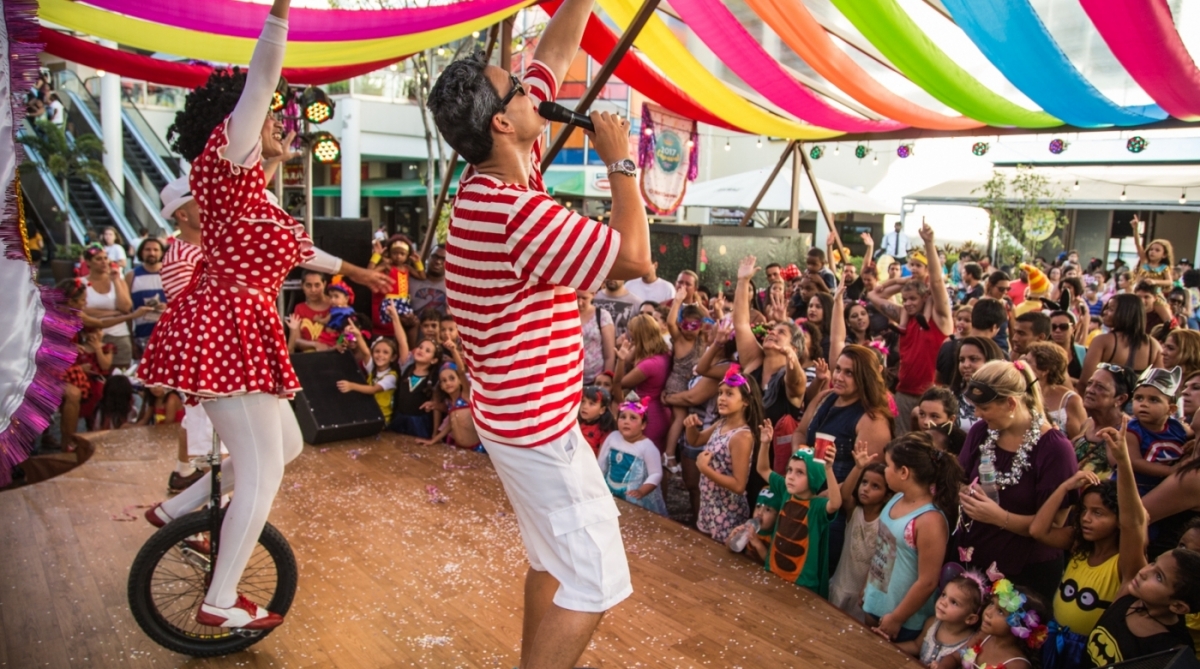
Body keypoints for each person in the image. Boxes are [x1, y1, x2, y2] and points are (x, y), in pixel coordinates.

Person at [137, 0, 390, 629]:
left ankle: (179, 512)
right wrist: (279, 11)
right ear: (236, 121)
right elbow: (262, 76)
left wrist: (357, 273)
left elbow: (300, 249)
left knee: (290, 444)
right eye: (272, 115)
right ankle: (220, 599)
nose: (280, 120)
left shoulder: (250, 192)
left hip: (240, 323)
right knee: (263, 470)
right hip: (228, 323)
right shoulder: (228, 157)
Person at [429, 0, 649, 659]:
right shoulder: (515, 213)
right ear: (503, 122)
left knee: (552, 561)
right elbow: (636, 260)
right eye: (519, 90)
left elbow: (551, 55)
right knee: (595, 580)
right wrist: (621, 163)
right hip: (536, 430)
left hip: (517, 419)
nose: (535, 89)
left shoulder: (497, 179)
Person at [956, 360, 1078, 601]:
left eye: (984, 407)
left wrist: (999, 517)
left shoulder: (1055, 450)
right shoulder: (981, 431)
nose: (977, 414)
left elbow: (1055, 523)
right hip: (973, 558)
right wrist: (965, 493)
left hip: (1024, 573)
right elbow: (959, 478)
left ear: (1011, 403)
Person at [1031, 429, 1145, 669]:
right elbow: (1039, 531)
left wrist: (1123, 461)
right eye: (1084, 510)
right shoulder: (1079, 547)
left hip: (1088, 652)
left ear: (1118, 520)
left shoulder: (1125, 563)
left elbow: (1134, 522)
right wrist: (1065, 487)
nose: (1086, 518)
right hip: (1057, 640)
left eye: (1098, 513)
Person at [1085, 479, 1200, 665]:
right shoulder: (1130, 596)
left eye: (1159, 577)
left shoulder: (1169, 652)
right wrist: (1124, 463)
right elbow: (1130, 524)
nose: (1145, 571)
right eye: (1153, 563)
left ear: (1178, 607)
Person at [864, 432, 963, 642]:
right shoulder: (897, 498)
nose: (884, 470)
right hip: (875, 602)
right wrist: (868, 587)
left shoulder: (930, 521)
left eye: (888, 465)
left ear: (904, 472)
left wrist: (897, 618)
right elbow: (883, 549)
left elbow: (928, 581)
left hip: (902, 620)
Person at [868, 222, 953, 436]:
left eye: (913, 299)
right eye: (904, 299)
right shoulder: (903, 315)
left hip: (933, 398)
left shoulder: (940, 318)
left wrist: (929, 243)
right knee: (901, 444)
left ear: (925, 297)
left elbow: (936, 282)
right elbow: (874, 295)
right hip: (904, 394)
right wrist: (906, 281)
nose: (907, 303)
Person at [752, 436, 841, 596]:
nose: (791, 476)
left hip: (802, 583)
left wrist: (828, 469)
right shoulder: (786, 491)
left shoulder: (818, 506)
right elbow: (763, 469)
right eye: (789, 470)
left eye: (800, 472)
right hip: (773, 572)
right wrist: (765, 443)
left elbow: (835, 504)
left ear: (813, 477)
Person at [687, 365, 762, 543]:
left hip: (727, 511)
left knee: (720, 555)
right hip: (710, 504)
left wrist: (705, 469)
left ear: (745, 401)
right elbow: (696, 440)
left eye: (729, 394)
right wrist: (690, 427)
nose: (721, 398)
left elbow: (739, 485)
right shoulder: (721, 424)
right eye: (720, 393)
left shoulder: (742, 437)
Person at [827, 442, 892, 622]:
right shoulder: (855, 512)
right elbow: (844, 495)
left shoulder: (885, 523)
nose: (866, 488)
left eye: (875, 486)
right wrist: (858, 468)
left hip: (862, 594)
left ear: (887, 496)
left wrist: (867, 587)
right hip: (840, 586)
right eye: (864, 482)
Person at [895, 573, 984, 668]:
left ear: (970, 618)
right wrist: (891, 646)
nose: (943, 602)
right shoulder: (932, 623)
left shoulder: (970, 643)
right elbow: (917, 646)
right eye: (944, 595)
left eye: (954, 602)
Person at [598, 397, 667, 516]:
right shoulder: (613, 437)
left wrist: (641, 491)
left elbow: (656, 473)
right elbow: (601, 462)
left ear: (643, 425)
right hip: (608, 488)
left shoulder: (647, 447)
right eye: (623, 417)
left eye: (633, 418)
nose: (626, 421)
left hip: (632, 494)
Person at [1123, 366, 1186, 497]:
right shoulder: (1131, 430)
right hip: (1134, 489)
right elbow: (1134, 462)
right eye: (1139, 398)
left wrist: (1192, 445)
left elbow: (1193, 435)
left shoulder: (1177, 428)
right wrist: (1170, 470)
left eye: (1153, 400)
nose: (1143, 404)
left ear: (1171, 409)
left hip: (1166, 489)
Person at [1078, 294, 1162, 393]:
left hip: (1102, 400)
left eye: (1111, 309)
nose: (1104, 312)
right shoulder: (1154, 346)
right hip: (1136, 401)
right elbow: (1158, 385)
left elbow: (1085, 382)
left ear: (1125, 313)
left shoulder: (1102, 341)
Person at [614, 314, 672, 451]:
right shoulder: (664, 353)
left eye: (633, 336)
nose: (629, 337)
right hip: (661, 412)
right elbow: (630, 358)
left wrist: (620, 360)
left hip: (649, 417)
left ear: (639, 337)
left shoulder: (649, 364)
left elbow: (619, 383)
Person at [958, 581, 1049, 669]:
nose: (988, 612)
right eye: (992, 603)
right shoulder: (983, 636)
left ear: (1018, 625)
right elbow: (955, 657)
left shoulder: (1017, 665)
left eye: (1000, 612)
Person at [663, 300, 705, 473]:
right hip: (677, 383)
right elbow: (670, 323)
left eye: (694, 325)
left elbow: (715, 323)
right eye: (685, 325)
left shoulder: (702, 340)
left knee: (683, 420)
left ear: (701, 326)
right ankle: (669, 454)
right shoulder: (679, 339)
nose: (689, 329)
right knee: (680, 418)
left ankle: (676, 453)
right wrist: (678, 300)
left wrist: (707, 308)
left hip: (692, 385)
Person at [1073, 364, 1134, 477]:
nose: (1090, 390)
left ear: (1120, 399)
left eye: (1100, 387)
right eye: (1090, 383)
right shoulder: (1088, 423)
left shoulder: (1128, 432)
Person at [81, 244, 134, 368]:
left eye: (105, 258)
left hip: (119, 335)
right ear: (88, 262)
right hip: (92, 337)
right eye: (98, 259)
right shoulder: (81, 283)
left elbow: (125, 308)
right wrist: (114, 312)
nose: (104, 262)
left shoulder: (119, 281)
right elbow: (82, 311)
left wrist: (115, 281)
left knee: (121, 374)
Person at [1024, 342, 1085, 439]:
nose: (1022, 365)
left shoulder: (1070, 400)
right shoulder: (1019, 393)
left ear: (1044, 370)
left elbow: (1078, 440)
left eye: (1028, 362)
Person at [126, 238, 167, 355]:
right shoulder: (131, 275)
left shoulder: (170, 273)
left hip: (169, 334)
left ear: (162, 253)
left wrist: (168, 307)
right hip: (142, 336)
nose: (152, 253)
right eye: (148, 249)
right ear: (141, 252)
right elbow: (126, 310)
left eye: (155, 250)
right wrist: (130, 339)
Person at [577, 290, 614, 386]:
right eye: (576, 297)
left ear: (593, 294)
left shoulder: (602, 316)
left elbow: (609, 355)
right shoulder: (565, 315)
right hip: (570, 378)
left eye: (584, 298)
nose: (580, 302)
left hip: (595, 380)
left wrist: (606, 380)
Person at [288, 270, 331, 352]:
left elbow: (346, 334)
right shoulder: (300, 308)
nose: (313, 290)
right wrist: (315, 344)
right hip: (309, 357)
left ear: (324, 284)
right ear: (302, 286)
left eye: (317, 285)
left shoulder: (336, 305)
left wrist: (339, 344)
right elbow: (296, 341)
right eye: (308, 285)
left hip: (335, 356)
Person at [1131, 214, 1175, 291]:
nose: (1152, 252)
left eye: (1157, 250)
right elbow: (1138, 244)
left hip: (1155, 294)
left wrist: (1155, 281)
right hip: (1139, 292)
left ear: (1164, 255)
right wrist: (1135, 229)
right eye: (1151, 249)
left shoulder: (1164, 267)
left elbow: (1169, 281)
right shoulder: (1144, 261)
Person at [409, 244, 447, 315]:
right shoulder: (408, 280)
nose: (438, 261)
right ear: (428, 257)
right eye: (435, 256)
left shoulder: (454, 289)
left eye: (444, 259)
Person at [578, 386, 616, 456]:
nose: (584, 406)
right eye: (583, 401)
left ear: (602, 410)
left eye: (591, 404)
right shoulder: (577, 424)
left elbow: (601, 457)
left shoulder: (603, 431)